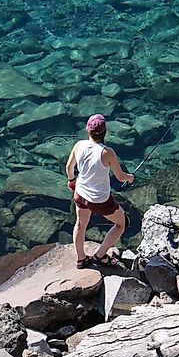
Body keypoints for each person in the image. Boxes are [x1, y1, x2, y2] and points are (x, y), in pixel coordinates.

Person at [65, 114, 134, 268]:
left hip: (80, 194)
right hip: (99, 200)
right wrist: (131, 178)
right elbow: (120, 176)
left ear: (87, 129)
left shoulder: (78, 145)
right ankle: (99, 256)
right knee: (122, 224)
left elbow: (69, 168)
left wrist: (71, 181)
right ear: (105, 131)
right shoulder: (107, 152)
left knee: (80, 224)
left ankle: (81, 259)